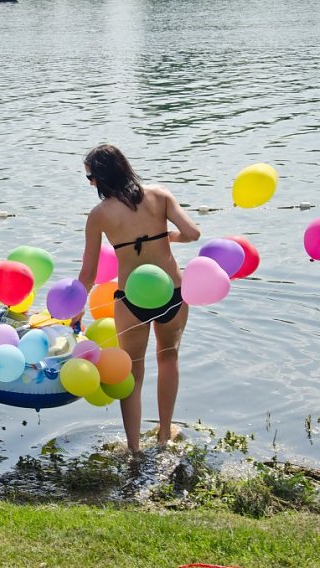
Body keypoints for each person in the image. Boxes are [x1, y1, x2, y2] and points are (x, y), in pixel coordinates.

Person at [76, 144, 200, 453]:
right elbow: (193, 233)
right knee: (168, 358)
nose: (91, 184)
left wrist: (77, 310)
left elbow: (88, 274)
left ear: (102, 177)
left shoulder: (99, 215)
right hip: (172, 292)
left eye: (90, 177)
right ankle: (163, 435)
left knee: (131, 371)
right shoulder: (159, 195)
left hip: (132, 298)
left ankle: (133, 448)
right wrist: (171, 237)